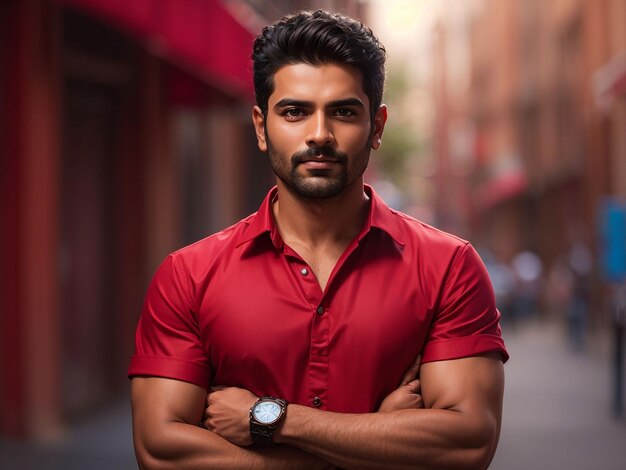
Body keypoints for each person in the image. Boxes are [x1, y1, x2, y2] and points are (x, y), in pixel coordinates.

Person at [129, 10, 508, 469]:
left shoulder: (449, 267)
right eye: (294, 111)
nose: (319, 135)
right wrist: (373, 440)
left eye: (344, 112)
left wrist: (271, 420)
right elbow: (161, 450)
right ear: (260, 126)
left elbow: (466, 444)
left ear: (378, 127)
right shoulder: (189, 276)